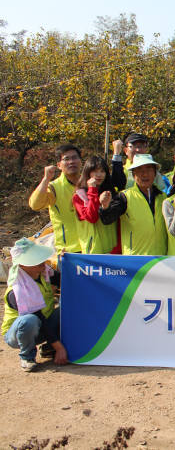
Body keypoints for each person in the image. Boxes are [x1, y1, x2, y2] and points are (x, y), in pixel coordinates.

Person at [2, 238, 67, 372]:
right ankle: (27, 356)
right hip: (19, 334)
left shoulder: (44, 273)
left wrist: (69, 261)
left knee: (67, 310)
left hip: (44, 325)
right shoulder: (17, 290)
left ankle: (48, 347)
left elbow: (65, 278)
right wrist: (59, 348)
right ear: (23, 266)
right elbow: (39, 319)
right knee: (29, 320)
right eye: (37, 263)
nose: (43, 265)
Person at [99, 154, 168, 255]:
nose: (145, 174)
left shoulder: (163, 197)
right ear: (134, 174)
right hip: (135, 260)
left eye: (149, 169)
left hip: (161, 258)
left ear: (155, 173)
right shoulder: (124, 197)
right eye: (140, 170)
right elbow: (107, 219)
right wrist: (105, 207)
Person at [28, 144, 83, 254]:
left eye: (75, 157)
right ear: (59, 165)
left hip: (91, 247)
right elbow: (35, 205)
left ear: (81, 161)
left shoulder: (90, 183)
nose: (71, 162)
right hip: (68, 251)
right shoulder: (54, 187)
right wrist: (46, 179)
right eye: (66, 159)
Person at [72, 156, 119, 254]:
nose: (99, 175)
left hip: (113, 251)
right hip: (92, 253)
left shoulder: (111, 193)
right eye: (95, 171)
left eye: (102, 171)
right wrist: (92, 191)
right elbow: (91, 217)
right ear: (87, 172)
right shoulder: (79, 196)